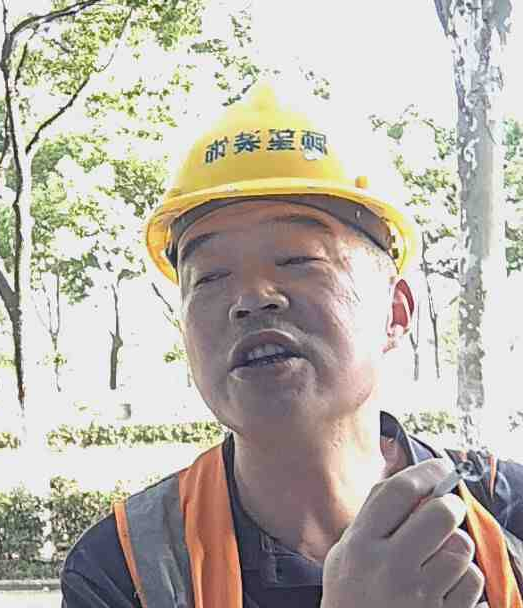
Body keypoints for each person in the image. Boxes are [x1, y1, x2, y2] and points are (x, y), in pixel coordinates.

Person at [60, 82, 523, 607]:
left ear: (396, 312)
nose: (251, 299)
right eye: (209, 278)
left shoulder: (504, 515)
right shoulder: (124, 569)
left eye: (298, 260)